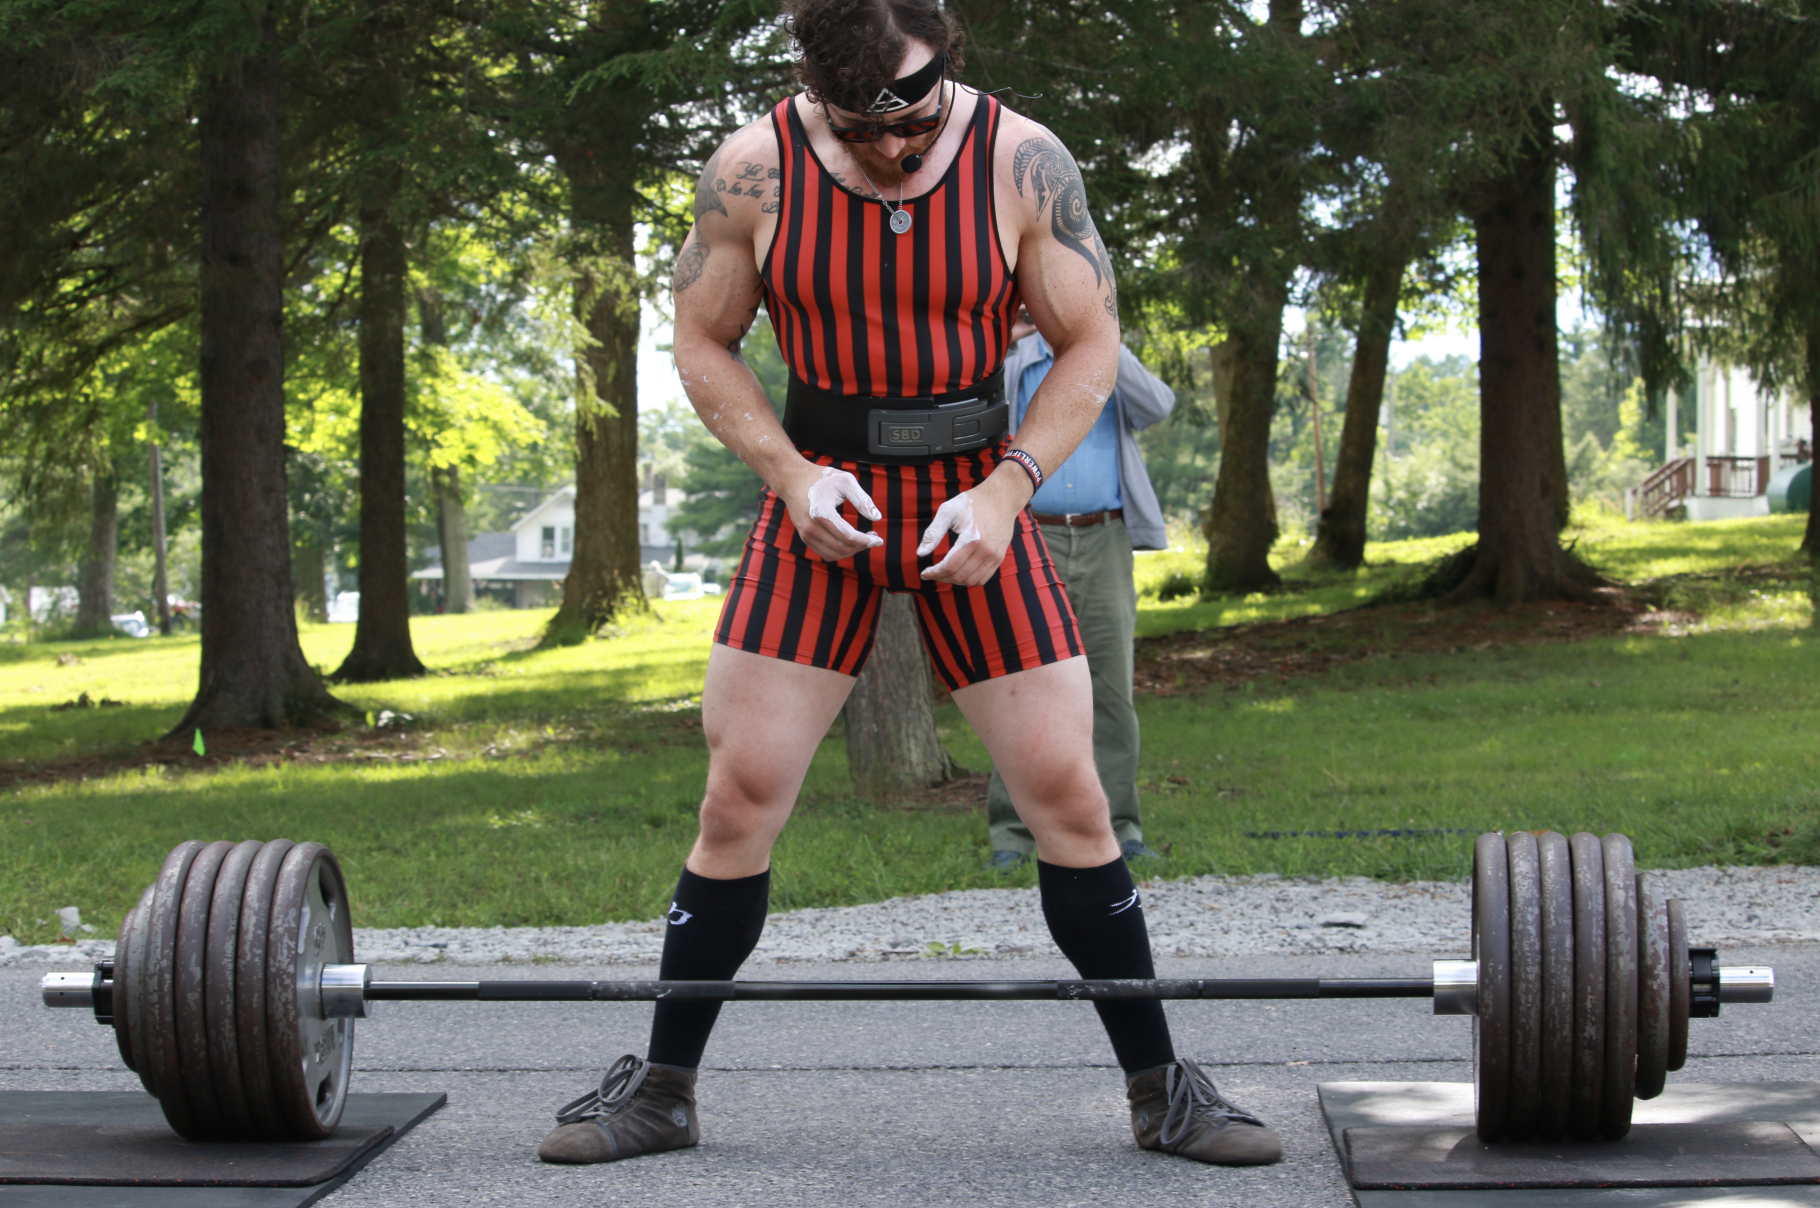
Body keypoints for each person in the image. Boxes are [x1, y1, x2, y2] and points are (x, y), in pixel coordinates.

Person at [535, 0, 1281, 1170]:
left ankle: (1160, 1087)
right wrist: (785, 473)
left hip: (974, 498)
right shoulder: (752, 172)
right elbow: (697, 336)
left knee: (1066, 795)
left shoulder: (1022, 162)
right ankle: (663, 1089)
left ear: (951, 66)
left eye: (916, 111)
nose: (894, 143)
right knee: (738, 796)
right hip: (822, 498)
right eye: (862, 121)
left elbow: (1090, 341)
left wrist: (1008, 488)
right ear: (812, 88)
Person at [985, 311, 1175, 871]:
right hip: (1025, 537)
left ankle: (1121, 827)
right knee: (1015, 687)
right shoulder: (1013, 357)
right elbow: (977, 415)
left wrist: (1099, 340)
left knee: (1110, 689)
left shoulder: (1107, 358)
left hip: (1104, 536)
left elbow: (1159, 406)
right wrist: (1004, 342)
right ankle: (1012, 835)